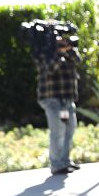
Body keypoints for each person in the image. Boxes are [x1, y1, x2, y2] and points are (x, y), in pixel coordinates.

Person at [36, 30, 81, 176]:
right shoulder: (44, 54)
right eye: (58, 40)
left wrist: (68, 50)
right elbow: (51, 68)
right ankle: (56, 164)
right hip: (52, 100)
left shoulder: (68, 53)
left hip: (66, 100)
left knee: (69, 128)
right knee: (58, 130)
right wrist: (58, 52)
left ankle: (64, 161)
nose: (62, 43)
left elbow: (78, 60)